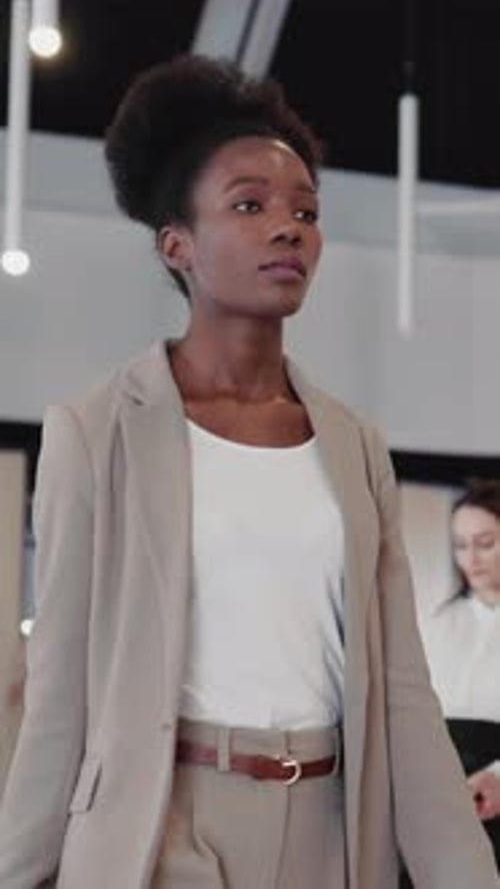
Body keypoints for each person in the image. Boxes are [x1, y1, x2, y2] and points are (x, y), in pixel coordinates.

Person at [0, 54, 497, 889]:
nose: (289, 226)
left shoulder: (353, 444)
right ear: (177, 244)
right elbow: (60, 688)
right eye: (250, 205)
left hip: (328, 824)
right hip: (158, 824)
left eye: (305, 209)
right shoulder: (94, 433)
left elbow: (403, 692)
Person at [421, 480, 500, 869]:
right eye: (461, 545)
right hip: (437, 795)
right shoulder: (440, 623)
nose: (472, 559)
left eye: (486, 543)